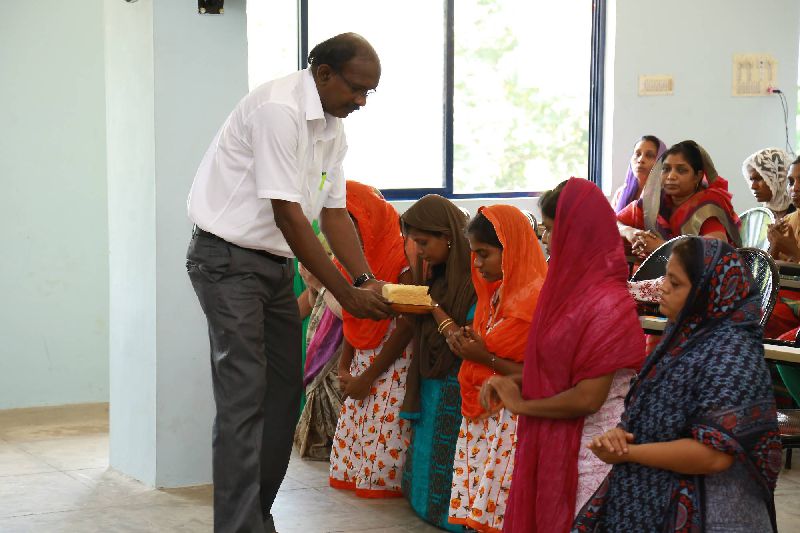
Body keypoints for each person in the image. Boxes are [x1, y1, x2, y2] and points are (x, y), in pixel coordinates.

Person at [185, 33, 391, 533]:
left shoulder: (332, 128)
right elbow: (289, 215)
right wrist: (344, 293)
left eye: (370, 92)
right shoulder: (279, 110)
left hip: (274, 266)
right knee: (244, 397)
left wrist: (366, 279)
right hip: (227, 261)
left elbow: (334, 214)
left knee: (282, 394)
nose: (362, 101)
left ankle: (256, 516)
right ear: (324, 74)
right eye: (356, 88)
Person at [573, 237, 782, 532]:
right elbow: (647, 407)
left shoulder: (733, 356)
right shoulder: (684, 337)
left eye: (675, 283)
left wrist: (629, 452)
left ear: (707, 291)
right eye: (666, 278)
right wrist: (622, 434)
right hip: (653, 492)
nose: (663, 288)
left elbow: (713, 456)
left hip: (713, 512)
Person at [481, 179, 645, 533]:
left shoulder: (608, 303)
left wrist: (522, 404)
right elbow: (558, 372)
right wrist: (512, 381)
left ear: (576, 232)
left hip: (592, 453)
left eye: (551, 229)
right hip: (557, 440)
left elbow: (588, 398)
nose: (545, 239)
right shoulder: (567, 293)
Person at [447, 205, 548, 533]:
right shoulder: (497, 292)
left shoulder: (536, 300)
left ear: (512, 249)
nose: (477, 263)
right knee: (481, 513)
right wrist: (469, 344)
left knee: (502, 512)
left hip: (512, 419)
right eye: (474, 254)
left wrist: (483, 356)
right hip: (485, 415)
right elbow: (491, 342)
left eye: (484, 254)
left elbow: (541, 372)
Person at [329, 181, 414, 498]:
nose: (348, 237)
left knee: (382, 444)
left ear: (370, 220)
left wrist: (367, 376)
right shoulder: (348, 265)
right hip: (361, 365)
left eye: (354, 225)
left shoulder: (401, 262)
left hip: (390, 368)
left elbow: (406, 326)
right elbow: (352, 317)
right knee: (356, 442)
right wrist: (345, 366)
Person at [398, 195, 477, 532]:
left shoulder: (476, 277)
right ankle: (425, 506)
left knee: (450, 450)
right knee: (428, 445)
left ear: (447, 236)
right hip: (432, 376)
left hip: (459, 381)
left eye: (423, 242)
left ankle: (451, 515)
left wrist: (431, 306)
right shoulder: (438, 275)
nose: (419, 250)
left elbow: (464, 337)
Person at [617, 140, 741, 258]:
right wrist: (630, 232)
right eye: (666, 169)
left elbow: (716, 249)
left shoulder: (706, 207)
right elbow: (612, 223)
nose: (671, 176)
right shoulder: (655, 203)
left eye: (681, 170)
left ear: (697, 176)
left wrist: (661, 246)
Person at [293, 256, 346, 461]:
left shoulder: (358, 264)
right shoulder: (334, 258)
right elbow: (315, 302)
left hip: (339, 352)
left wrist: (320, 286)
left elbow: (348, 312)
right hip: (320, 349)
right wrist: (313, 286)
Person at [612, 135, 667, 212]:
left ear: (661, 162)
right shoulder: (620, 193)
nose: (641, 160)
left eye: (649, 155)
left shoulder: (667, 195)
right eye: (637, 154)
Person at [743, 147, 795, 220]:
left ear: (778, 178)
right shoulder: (758, 217)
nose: (753, 186)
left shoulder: (797, 213)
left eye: (759, 179)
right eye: (751, 180)